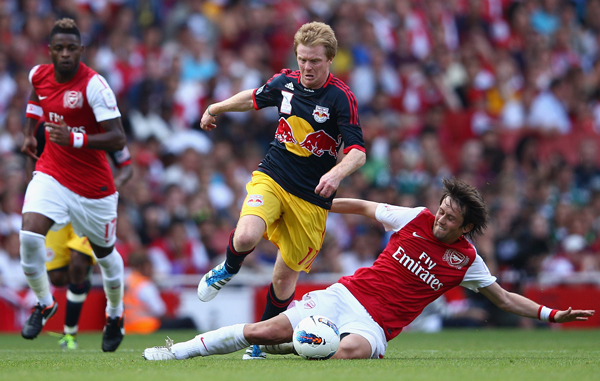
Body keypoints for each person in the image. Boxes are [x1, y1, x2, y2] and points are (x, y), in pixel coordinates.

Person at [142, 178, 594, 361]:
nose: (439, 218)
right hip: (346, 295)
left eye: (450, 218)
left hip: (376, 324)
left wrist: (552, 316)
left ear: (467, 227)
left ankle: (297, 347)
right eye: (441, 210)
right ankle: (176, 351)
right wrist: (316, 205)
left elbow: (504, 298)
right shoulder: (414, 216)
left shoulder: (467, 261)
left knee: (346, 353)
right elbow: (362, 206)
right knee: (261, 332)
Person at [196, 21, 366, 359]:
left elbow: (357, 151)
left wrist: (336, 173)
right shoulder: (285, 82)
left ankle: (260, 342)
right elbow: (255, 98)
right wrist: (217, 108)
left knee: (284, 279)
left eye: (314, 61)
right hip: (273, 176)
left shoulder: (340, 97)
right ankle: (228, 268)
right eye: (302, 59)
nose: (306, 67)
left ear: (329, 60)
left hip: (311, 198)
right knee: (246, 237)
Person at [19, 18, 127, 352]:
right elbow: (36, 98)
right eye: (59, 49)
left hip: (93, 186)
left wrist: (75, 137)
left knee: (106, 258)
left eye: (71, 49)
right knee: (29, 235)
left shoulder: (94, 85)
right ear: (49, 51)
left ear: (81, 51)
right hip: (51, 172)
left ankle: (115, 313)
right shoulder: (38, 74)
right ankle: (44, 303)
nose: (65, 54)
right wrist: (28, 133)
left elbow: (118, 136)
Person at [28, 116, 133, 350]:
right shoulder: (48, 124)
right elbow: (32, 156)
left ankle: (71, 333)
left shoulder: (103, 128)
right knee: (57, 277)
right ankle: (74, 287)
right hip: (56, 204)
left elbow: (126, 166)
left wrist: (109, 190)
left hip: (89, 202)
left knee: (78, 262)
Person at [123, 251, 196, 334]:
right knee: (188, 321)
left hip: (127, 327)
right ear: (143, 266)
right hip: (146, 327)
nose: (152, 270)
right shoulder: (144, 284)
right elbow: (160, 312)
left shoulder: (125, 281)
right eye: (150, 266)